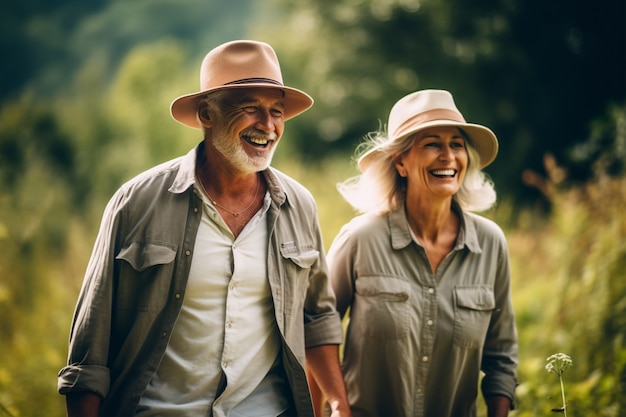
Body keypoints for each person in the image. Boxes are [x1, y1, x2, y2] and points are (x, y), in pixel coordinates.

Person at [57, 40, 351, 417]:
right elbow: (89, 350)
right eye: (250, 109)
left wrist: (340, 404)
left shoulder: (299, 206)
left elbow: (317, 318)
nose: (268, 125)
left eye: (276, 112)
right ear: (207, 114)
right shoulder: (137, 203)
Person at [324, 89, 518, 416]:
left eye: (456, 144)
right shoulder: (360, 239)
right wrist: (338, 408)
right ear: (401, 161)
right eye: (431, 144)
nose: (447, 156)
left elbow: (502, 358)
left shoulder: (490, 243)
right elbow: (317, 330)